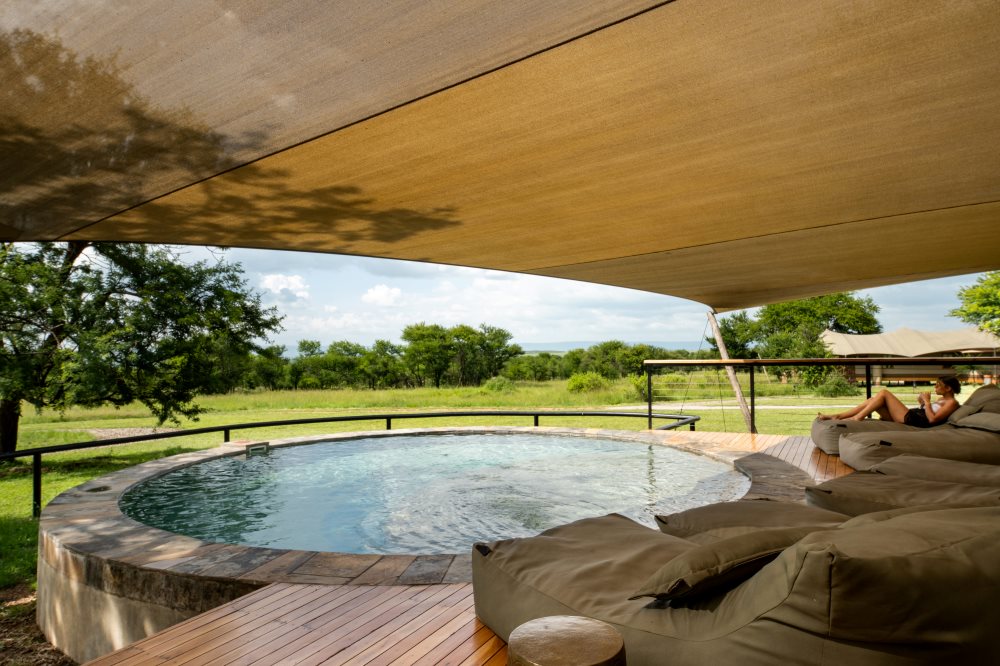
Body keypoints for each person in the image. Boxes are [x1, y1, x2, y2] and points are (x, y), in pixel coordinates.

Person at [817, 376, 961, 427]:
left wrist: (927, 402)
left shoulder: (952, 403)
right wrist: (922, 403)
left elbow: (932, 420)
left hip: (914, 421)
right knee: (873, 400)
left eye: (938, 385)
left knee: (884, 393)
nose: (935, 387)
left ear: (948, 388)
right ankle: (838, 416)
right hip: (914, 416)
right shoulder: (942, 399)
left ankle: (857, 418)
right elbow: (928, 412)